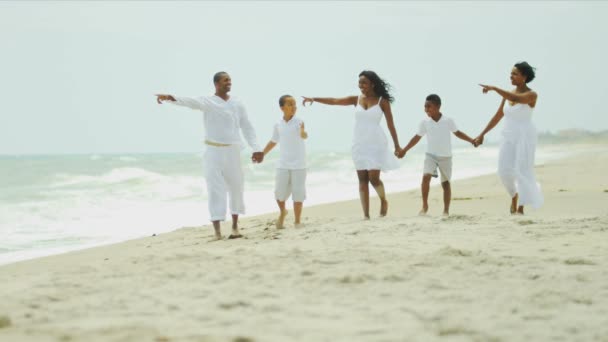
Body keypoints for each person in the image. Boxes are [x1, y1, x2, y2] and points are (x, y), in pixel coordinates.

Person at [155, 71, 264, 240]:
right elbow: (189, 102)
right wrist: (169, 97)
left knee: (236, 186)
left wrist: (256, 148)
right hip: (212, 151)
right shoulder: (208, 101)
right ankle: (217, 232)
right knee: (215, 189)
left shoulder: (238, 103)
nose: (229, 83)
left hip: (233, 151)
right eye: (225, 80)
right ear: (216, 84)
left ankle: (235, 227)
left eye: (230, 80)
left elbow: (247, 126)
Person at [302, 70, 400, 219]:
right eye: (359, 82)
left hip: (376, 144)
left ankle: (383, 200)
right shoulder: (356, 99)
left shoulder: (382, 101)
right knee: (362, 179)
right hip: (359, 144)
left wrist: (397, 145)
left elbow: (391, 124)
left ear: (372, 84)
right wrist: (314, 99)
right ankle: (366, 215)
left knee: (374, 178)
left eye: (364, 82)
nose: (361, 85)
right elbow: (334, 101)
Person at [474, 62, 544, 215]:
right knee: (503, 171)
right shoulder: (507, 95)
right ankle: (514, 195)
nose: (510, 76)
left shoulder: (532, 95)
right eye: (510, 73)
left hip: (525, 136)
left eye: (514, 73)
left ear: (524, 77)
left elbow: (516, 98)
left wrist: (494, 88)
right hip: (508, 135)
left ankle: (521, 207)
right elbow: (498, 116)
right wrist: (482, 133)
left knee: (522, 171)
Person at [397, 94, 477, 216]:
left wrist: (471, 140)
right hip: (431, 156)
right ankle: (424, 205)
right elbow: (417, 137)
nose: (426, 109)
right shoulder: (424, 122)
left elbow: (458, 133)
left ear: (438, 106)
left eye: (429, 106)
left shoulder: (448, 120)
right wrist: (405, 150)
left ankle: (446, 210)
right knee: (425, 177)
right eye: (425, 107)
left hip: (446, 157)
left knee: (445, 183)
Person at [262, 95, 308, 229]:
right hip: (283, 164)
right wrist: (263, 153)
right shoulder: (278, 124)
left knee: (298, 194)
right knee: (278, 193)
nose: (294, 107)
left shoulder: (299, 121)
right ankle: (283, 211)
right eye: (290, 104)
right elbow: (273, 141)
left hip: (299, 164)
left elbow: (303, 134)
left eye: (295, 104)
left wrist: (303, 133)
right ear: (282, 107)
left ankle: (297, 222)